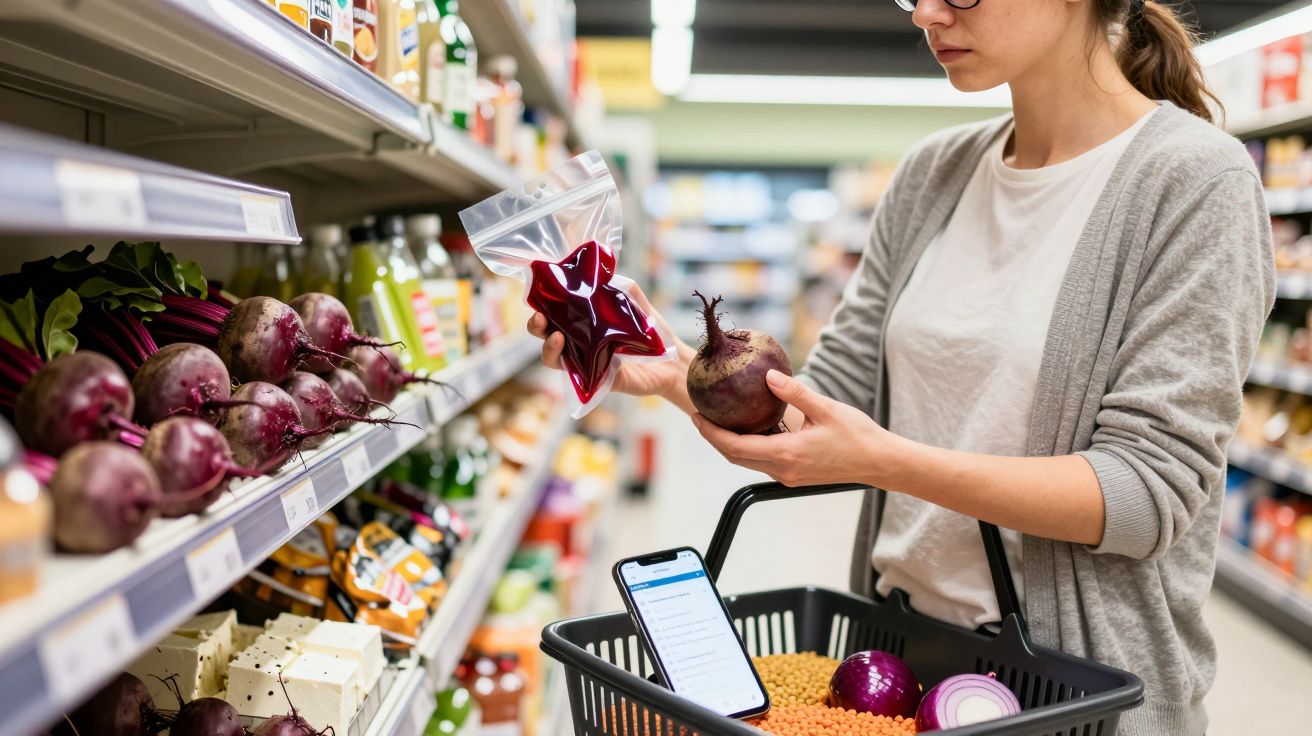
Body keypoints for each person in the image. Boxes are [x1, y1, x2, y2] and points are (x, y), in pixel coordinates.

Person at [528, 0, 1273, 732]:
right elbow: (825, 409)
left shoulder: (1194, 181)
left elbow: (1145, 496)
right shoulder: (933, 175)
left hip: (1076, 690)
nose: (926, 16)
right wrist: (676, 370)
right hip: (896, 663)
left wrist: (885, 461)